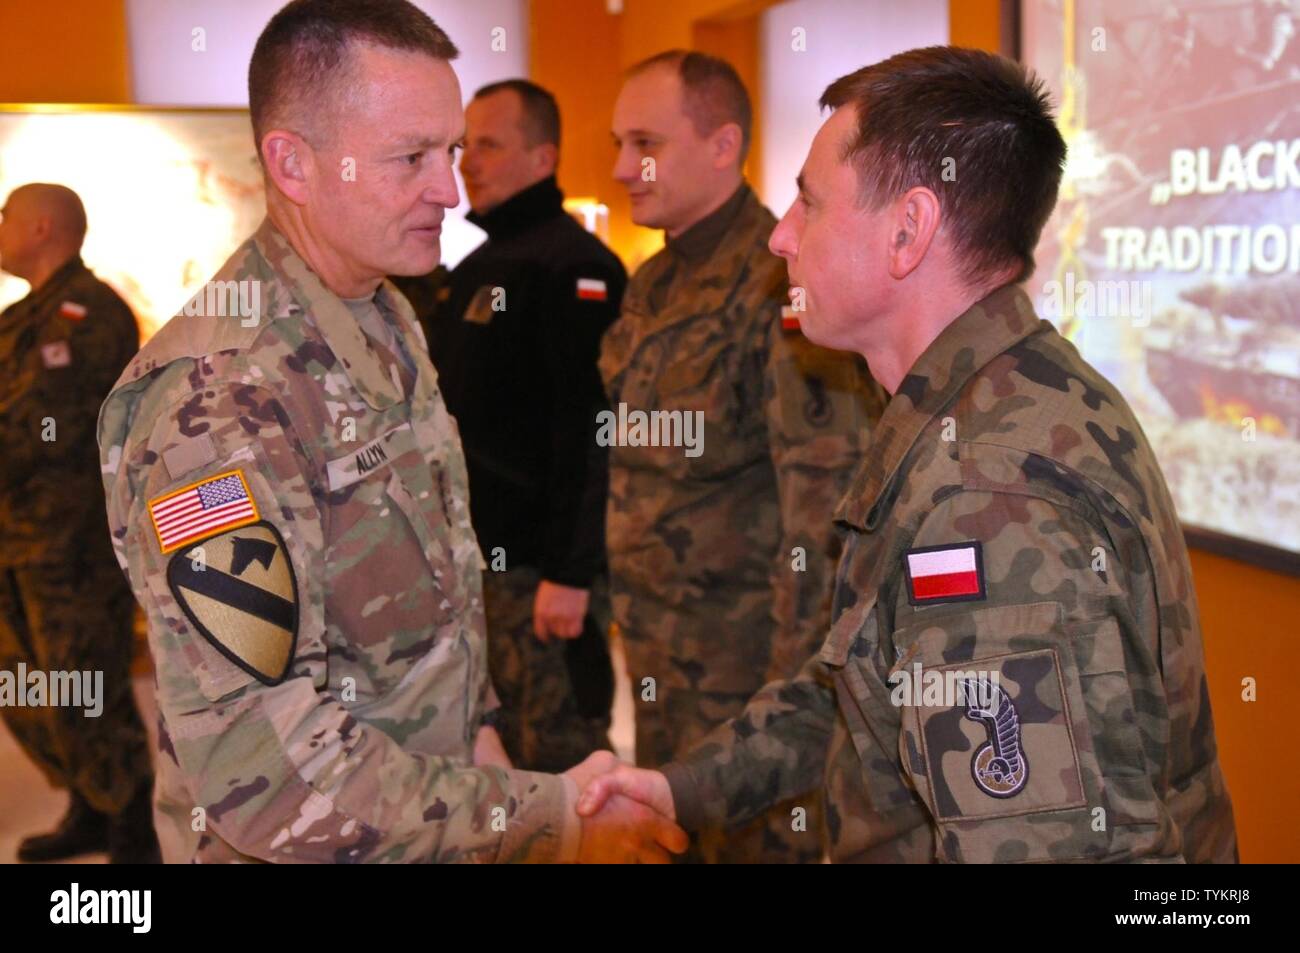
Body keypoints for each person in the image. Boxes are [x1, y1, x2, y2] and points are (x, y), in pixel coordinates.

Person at [580, 45, 1238, 864]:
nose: (781, 238)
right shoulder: (986, 403)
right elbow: (869, 686)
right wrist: (683, 787)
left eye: (809, 204)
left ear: (907, 230)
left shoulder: (988, 499)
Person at [97, 0, 682, 864]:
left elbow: (437, 595)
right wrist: (548, 820)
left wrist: (483, 740)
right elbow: (267, 770)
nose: (449, 188)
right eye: (411, 157)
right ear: (292, 164)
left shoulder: (381, 312)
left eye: (450, 151)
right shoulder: (214, 400)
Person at [602, 50, 884, 862]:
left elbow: (821, 509)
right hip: (658, 658)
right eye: (620, 143)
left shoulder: (782, 281)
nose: (623, 167)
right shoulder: (652, 283)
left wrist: (791, 698)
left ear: (723, 146)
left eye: (645, 142)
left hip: (750, 687)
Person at [420, 78, 624, 772]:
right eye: (462, 145)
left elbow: (590, 432)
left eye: (488, 144)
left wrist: (571, 572)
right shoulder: (478, 267)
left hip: (541, 574)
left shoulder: (575, 267)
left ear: (543, 158)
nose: (467, 162)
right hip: (483, 566)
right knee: (499, 758)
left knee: (561, 762)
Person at [0, 182, 159, 863]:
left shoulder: (88, 313)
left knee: (83, 682)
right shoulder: (23, 318)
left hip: (72, 542)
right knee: (26, 681)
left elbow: (52, 428)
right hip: (18, 534)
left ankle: (130, 823)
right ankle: (90, 801)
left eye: (5, 216)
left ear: (41, 227)